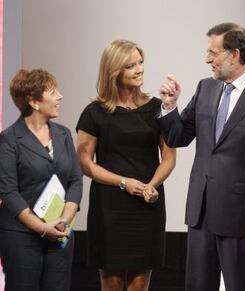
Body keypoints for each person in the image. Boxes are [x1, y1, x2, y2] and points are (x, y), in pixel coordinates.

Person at [158, 22, 245, 291]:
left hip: (241, 217)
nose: (207, 59)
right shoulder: (206, 88)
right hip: (201, 213)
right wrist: (170, 107)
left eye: (213, 53)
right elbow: (178, 137)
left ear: (235, 54)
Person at [76, 40, 176, 291]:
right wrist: (123, 182)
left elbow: (169, 157)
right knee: (111, 283)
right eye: (130, 65)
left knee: (140, 283)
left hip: (148, 204)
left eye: (140, 62)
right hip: (109, 207)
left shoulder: (156, 108)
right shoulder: (95, 112)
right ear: (114, 71)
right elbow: (85, 163)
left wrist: (150, 186)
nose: (139, 69)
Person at [0, 69, 83, 291]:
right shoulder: (9, 140)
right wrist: (42, 227)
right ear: (34, 102)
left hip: (60, 234)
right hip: (21, 236)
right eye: (53, 92)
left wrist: (64, 220)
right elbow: (8, 192)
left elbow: (76, 180)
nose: (60, 97)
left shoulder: (64, 134)